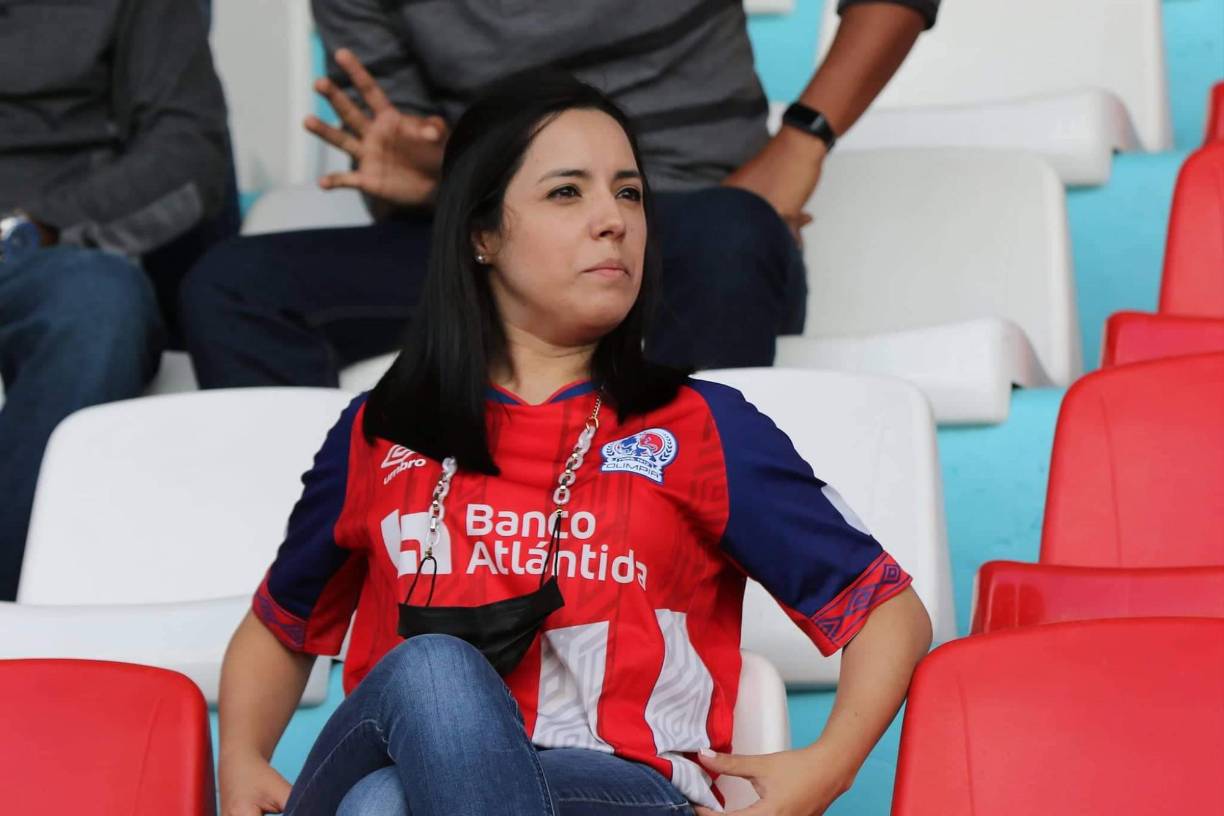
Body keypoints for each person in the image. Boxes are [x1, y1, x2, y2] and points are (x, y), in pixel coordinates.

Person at [218, 72, 932, 816]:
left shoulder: (698, 425)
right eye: (567, 192)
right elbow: (279, 624)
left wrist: (828, 768)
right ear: (482, 235)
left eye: (629, 193)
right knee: (426, 691)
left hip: (618, 792)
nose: (613, 220)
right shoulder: (381, 429)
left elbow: (889, 611)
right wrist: (239, 759)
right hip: (403, 766)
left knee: (382, 801)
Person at [180, 0, 938, 385]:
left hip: (684, 226)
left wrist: (803, 139)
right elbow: (406, 146)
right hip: (499, 232)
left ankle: (664, 563)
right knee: (232, 286)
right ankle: (329, 577)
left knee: (733, 234)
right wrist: (434, 174)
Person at [0, 0, 231, 600]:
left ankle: (11, 611)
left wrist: (38, 226)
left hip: (42, 250)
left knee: (97, 307)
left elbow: (189, 153)